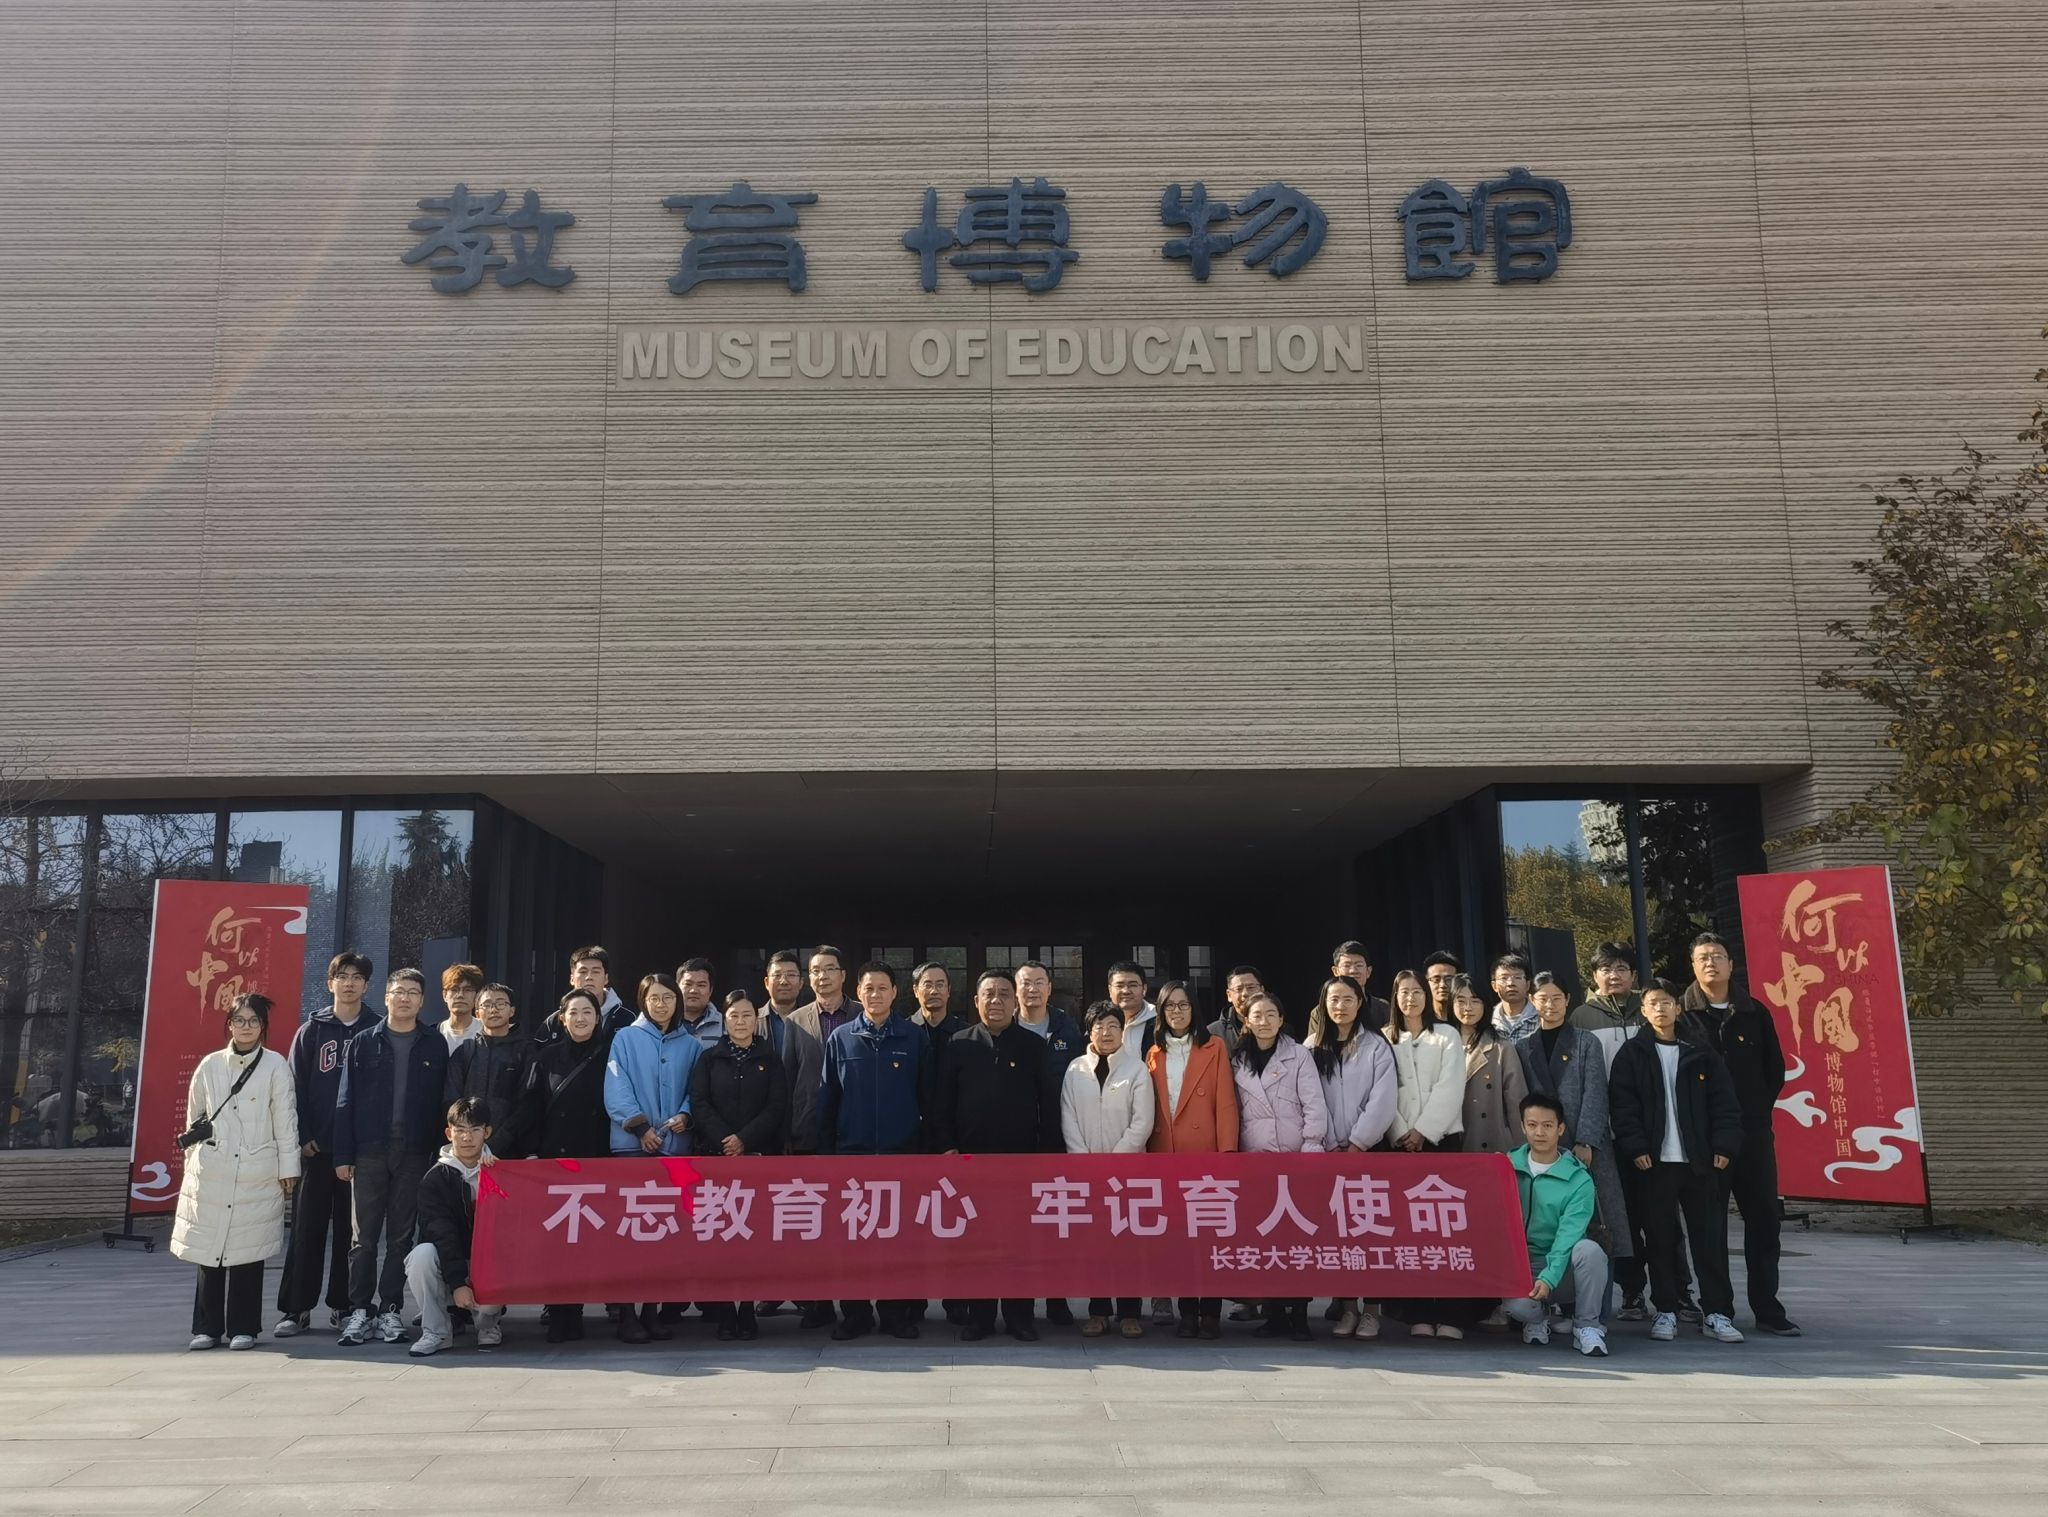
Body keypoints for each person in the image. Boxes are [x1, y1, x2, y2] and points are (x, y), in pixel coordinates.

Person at [1609, 978, 1746, 1345]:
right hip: (1654, 1164)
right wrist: (1636, 1147)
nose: (1660, 1009)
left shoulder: (1701, 1052)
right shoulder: (1632, 1054)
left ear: (1678, 1007)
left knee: (1709, 1240)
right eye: (1653, 1003)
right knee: (1660, 1240)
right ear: (1643, 1010)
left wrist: (1724, 1146)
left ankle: (1717, 1312)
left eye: (1666, 1002)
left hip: (1701, 1162)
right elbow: (1623, 1107)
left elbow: (1725, 1104)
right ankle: (1666, 1310)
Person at [934, 968, 1060, 1342]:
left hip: (1021, 1163)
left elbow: (1048, 1105)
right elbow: (942, 1103)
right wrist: (947, 1145)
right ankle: (981, 1317)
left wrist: (1046, 1154)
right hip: (971, 1164)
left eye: (1004, 993)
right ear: (976, 1001)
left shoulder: (1033, 1046)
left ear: (1015, 1000)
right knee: (976, 1244)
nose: (996, 1000)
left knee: (1020, 1243)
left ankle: (1020, 1317)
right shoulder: (959, 1044)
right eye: (988, 994)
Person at [1683, 931, 1798, 1337]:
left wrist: (1754, 1112)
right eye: (1702, 957)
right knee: (1710, 1226)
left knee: (1764, 1219)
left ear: (1731, 965)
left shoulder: (1754, 1012)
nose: (1710, 963)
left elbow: (1774, 1070)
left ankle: (1767, 1307)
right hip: (1704, 1139)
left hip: (1752, 1134)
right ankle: (1718, 1308)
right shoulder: (1682, 1015)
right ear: (1693, 966)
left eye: (1717, 956)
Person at [333, 968, 451, 1347]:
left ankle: (390, 1309)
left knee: (401, 1237)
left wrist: (438, 1153)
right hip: (369, 1151)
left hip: (415, 1153)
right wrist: (343, 1154)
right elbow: (345, 1101)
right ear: (385, 997)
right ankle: (359, 1310)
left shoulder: (434, 1044)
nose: (404, 998)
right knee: (363, 1238)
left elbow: (442, 1103)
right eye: (398, 991)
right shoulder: (364, 1042)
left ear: (422, 1001)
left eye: (412, 992)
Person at [174, 994, 299, 1350]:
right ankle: (207, 1327)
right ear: (229, 1024)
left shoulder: (275, 1065)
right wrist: (194, 1163)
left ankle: (244, 1327)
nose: (246, 1027)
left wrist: (288, 1167)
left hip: (257, 1168)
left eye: (253, 1021)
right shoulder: (210, 1065)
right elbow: (195, 1118)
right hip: (213, 1168)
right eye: (239, 1020)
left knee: (248, 1249)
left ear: (263, 1027)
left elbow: (285, 1120)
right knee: (208, 1250)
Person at [817, 961, 933, 1340]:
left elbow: (927, 1098)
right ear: (858, 992)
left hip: (902, 1157)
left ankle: (894, 1313)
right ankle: (856, 1314)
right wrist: (826, 1157)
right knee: (852, 1243)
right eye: (869, 988)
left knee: (898, 1243)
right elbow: (827, 1102)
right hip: (853, 1158)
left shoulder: (913, 1038)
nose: (876, 995)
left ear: (895, 993)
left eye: (883, 988)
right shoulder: (841, 1039)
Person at [275, 951, 380, 1339]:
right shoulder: (311, 1031)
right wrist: (303, 1136)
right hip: (316, 1150)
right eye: (342, 976)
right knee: (306, 1230)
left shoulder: (377, 1030)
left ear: (367, 985)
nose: (349, 983)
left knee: (351, 1234)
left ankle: (344, 1305)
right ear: (330, 983)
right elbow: (294, 1089)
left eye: (357, 977)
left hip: (358, 1151)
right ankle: (296, 1308)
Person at [1514, 971, 1632, 1308]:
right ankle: (1553, 1304)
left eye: (1557, 998)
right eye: (1543, 998)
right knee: (1549, 1227)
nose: (1550, 1005)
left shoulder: (1585, 1042)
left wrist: (1586, 1140)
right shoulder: (1523, 1047)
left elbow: (1596, 1093)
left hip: (1585, 1148)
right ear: (1532, 1001)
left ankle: (1596, 1310)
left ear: (1568, 1000)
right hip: (1542, 1148)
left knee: (1597, 1226)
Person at [604, 971, 703, 1343]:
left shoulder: (691, 1044)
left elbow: (697, 1089)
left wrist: (685, 1114)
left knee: (665, 1236)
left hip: (674, 1148)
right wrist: (640, 1127)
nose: (662, 1004)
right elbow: (617, 1086)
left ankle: (652, 1311)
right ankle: (627, 1314)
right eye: (654, 998)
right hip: (633, 1148)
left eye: (668, 997)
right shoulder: (625, 1038)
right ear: (643, 1000)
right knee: (631, 1236)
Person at [691, 991, 792, 1342]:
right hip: (717, 1160)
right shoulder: (708, 1059)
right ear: (725, 1019)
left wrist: (745, 1140)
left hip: (758, 1159)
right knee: (720, 1239)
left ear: (756, 1020)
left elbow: (776, 1106)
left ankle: (747, 1309)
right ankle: (725, 1312)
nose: (740, 1021)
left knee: (751, 1239)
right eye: (734, 1015)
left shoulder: (771, 1059)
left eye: (747, 1015)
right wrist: (726, 1140)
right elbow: (699, 1102)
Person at [1303, 974, 1397, 1340]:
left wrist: (1358, 1143)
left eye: (1347, 999)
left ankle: (1372, 1311)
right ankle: (1347, 1307)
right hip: (1328, 1154)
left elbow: (1383, 1099)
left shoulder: (1376, 1046)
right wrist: (1329, 1143)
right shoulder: (1311, 1047)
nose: (1340, 1006)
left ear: (1360, 1003)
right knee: (1337, 1236)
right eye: (1333, 999)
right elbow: (1310, 1100)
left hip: (1368, 1153)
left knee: (1369, 1234)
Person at [519, 987, 615, 1342]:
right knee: (559, 1241)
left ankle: (598, 1305)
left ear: (598, 1018)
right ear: (562, 1019)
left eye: (588, 1012)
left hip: (596, 1159)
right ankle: (561, 1312)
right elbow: (530, 1108)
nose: (580, 1018)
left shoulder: (611, 1055)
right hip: (555, 1163)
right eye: (573, 1012)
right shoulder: (546, 1058)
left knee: (592, 1241)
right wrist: (531, 1151)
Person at [1232, 991, 1326, 1342]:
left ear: (1282, 1019)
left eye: (1271, 1014)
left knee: (1298, 1239)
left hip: (1294, 1156)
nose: (1264, 1021)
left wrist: (1312, 1146)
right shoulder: (1238, 1059)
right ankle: (1273, 1314)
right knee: (1263, 1239)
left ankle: (1299, 1314)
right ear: (1246, 1020)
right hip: (1256, 1160)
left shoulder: (1299, 1055)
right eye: (1257, 1015)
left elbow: (1313, 1103)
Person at [1146, 980, 1237, 1338]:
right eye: (1170, 1006)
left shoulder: (1214, 1047)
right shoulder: (1154, 1052)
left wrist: (1227, 1152)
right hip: (1166, 1154)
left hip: (1204, 1154)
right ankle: (1187, 1311)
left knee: (1208, 1237)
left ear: (1194, 1009)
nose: (1177, 1012)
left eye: (1183, 1005)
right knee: (1179, 1240)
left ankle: (1210, 1312)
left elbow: (1225, 1103)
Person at [1382, 968, 1468, 1340]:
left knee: (1446, 1229)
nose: (1411, 998)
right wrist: (1402, 1132)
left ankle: (1449, 1312)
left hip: (1442, 1140)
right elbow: (1382, 1091)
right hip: (1400, 1144)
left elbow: (1451, 1088)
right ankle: (1416, 1312)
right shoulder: (1385, 1038)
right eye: (1403, 992)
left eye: (1417, 991)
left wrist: (1424, 1130)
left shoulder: (1447, 1035)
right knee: (1409, 1231)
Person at [1061, 1002, 1155, 1338]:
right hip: (1087, 1174)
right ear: (1089, 1031)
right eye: (1099, 1026)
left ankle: (1130, 1312)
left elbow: (1142, 1123)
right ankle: (1098, 1311)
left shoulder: (1136, 1069)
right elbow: (1068, 1119)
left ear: (1122, 1030)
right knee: (1094, 1246)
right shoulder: (1075, 1069)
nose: (1106, 1032)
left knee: (1128, 1246)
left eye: (1113, 1026)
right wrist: (1085, 1162)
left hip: (1127, 1175)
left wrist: (1115, 1162)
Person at [1501, 1093, 1610, 1357]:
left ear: (1560, 1129)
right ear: (1523, 1127)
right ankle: (1538, 1319)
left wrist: (1549, 1277)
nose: (1539, 1132)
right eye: (1532, 1125)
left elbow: (1569, 1235)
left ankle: (1587, 1326)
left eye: (1547, 1125)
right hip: (1522, 1266)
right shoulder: (1505, 1167)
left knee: (1590, 1251)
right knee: (1517, 1306)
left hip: (1563, 1270)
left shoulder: (1578, 1178)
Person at [1014, 958, 1086, 1326]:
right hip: (1019, 1142)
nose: (1032, 989)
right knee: (1020, 1228)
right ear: (1016, 989)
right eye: (1025, 982)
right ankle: (1022, 1304)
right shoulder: (1006, 1027)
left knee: (1058, 1225)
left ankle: (1058, 1299)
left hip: (1060, 1139)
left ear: (1049, 988)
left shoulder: (1067, 1029)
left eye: (1039, 982)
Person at [751, 951, 823, 1322]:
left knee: (803, 1218)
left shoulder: (812, 1020)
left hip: (803, 1133)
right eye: (777, 975)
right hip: (762, 1136)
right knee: (767, 1221)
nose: (784, 981)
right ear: (767, 982)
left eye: (792, 975)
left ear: (802, 982)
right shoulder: (750, 1019)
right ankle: (772, 1289)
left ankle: (806, 1291)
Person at [405, 1096, 503, 1356]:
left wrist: (496, 1175)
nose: (467, 1137)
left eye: (475, 1130)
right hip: (451, 1261)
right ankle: (436, 1331)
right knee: (421, 1256)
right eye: (460, 1130)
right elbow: (442, 1234)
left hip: (486, 1262)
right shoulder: (434, 1179)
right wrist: (458, 1282)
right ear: (449, 1134)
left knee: (502, 1256)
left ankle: (488, 1325)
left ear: (487, 1132)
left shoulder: (501, 1172)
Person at [443, 981, 533, 1163]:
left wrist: (494, 1145)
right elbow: (452, 1101)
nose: (494, 1010)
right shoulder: (465, 1051)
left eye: (501, 1004)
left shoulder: (526, 1052)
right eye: (487, 1005)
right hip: (466, 1151)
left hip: (509, 1153)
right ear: (477, 1013)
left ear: (512, 1011)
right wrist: (468, 1141)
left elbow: (526, 1105)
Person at [1451, 973, 1530, 1155]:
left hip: (1490, 1140)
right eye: (1461, 1001)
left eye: (1475, 1001)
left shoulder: (1501, 1047)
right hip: (1451, 1142)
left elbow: (1516, 1102)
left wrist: (1521, 1152)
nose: (1468, 1008)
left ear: (1485, 1004)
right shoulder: (1441, 1044)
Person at [1569, 941, 1642, 1070]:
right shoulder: (1581, 1016)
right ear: (1595, 976)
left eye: (1621, 969)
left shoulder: (1648, 1009)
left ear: (1633, 975)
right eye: (1606, 970)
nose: (1614, 976)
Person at [1329, 942, 1392, 1033]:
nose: (1353, 971)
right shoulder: (1321, 1011)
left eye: (1358, 965)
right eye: (1347, 965)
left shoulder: (1383, 1008)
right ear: (1336, 971)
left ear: (1368, 972)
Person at [907, 960, 966, 1051]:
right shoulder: (904, 1030)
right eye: (928, 985)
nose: (934, 991)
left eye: (940, 985)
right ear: (916, 991)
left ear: (948, 990)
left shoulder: (965, 1032)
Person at [1105, 960, 1157, 1053]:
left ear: (1144, 989)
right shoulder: (1099, 1021)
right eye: (1119, 986)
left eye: (1133, 985)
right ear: (1110, 990)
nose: (1126, 991)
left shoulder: (1159, 1020)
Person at [1210, 964, 1263, 1052]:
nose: (1245, 994)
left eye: (1251, 987)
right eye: (1239, 989)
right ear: (1229, 995)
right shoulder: (1213, 1033)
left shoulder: (1278, 1028)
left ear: (1262, 990)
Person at [676, 957, 725, 1048]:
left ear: (710, 990)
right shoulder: (664, 1022)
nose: (693, 990)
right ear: (677, 988)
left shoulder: (724, 1025)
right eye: (688, 984)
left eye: (701, 985)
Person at [1491, 953, 1538, 1041]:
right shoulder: (1488, 1019)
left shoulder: (1541, 1017)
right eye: (1504, 978)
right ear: (1494, 986)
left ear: (1528, 985)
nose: (1510, 983)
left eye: (1517, 977)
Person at [438, 964, 484, 1048]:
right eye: (454, 989)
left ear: (477, 996)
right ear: (445, 995)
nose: (460, 995)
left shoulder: (487, 1031)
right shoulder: (434, 1034)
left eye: (467, 990)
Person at [1422, 951, 1462, 1023]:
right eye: (1436, 979)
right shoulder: (1419, 1021)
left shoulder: (1466, 1020)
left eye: (1449, 979)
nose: (1442, 985)